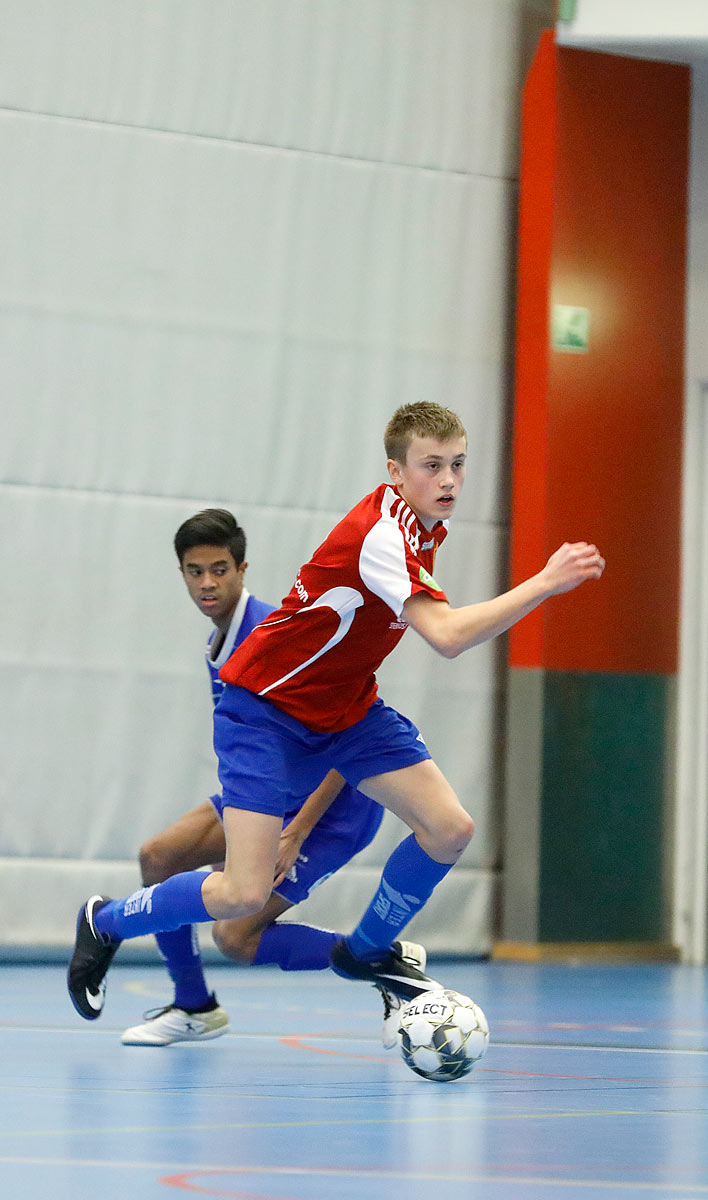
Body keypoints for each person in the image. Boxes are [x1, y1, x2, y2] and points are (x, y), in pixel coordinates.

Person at [69, 402, 603, 1031]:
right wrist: (543, 581)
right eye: (432, 466)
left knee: (450, 829)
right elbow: (449, 636)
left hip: (347, 709)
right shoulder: (381, 534)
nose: (450, 480)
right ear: (395, 471)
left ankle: (368, 950)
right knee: (240, 897)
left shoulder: (422, 526)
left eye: (458, 464)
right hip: (266, 715)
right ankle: (104, 922)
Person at [121, 508, 420, 1046]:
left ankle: (383, 958)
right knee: (158, 858)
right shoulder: (219, 641)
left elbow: (342, 736)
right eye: (195, 571)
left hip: (331, 807)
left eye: (219, 569)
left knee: (236, 935)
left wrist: (295, 831)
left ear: (242, 570)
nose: (208, 583)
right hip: (271, 792)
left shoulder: (266, 632)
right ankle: (195, 1007)